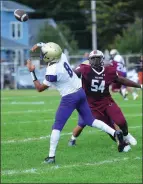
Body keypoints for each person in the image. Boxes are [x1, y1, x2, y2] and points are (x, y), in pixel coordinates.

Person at [26, 42, 124, 164]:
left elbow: (40, 88)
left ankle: (51, 157)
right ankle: (115, 133)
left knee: (57, 126)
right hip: (80, 92)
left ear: (49, 57)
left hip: (69, 97)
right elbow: (52, 48)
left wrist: (32, 72)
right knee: (91, 120)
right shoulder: (62, 56)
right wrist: (40, 45)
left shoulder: (52, 70)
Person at [68, 50, 142, 150]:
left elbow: (122, 80)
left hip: (107, 101)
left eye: (97, 58)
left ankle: (126, 134)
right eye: (93, 59)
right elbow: (72, 74)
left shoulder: (109, 70)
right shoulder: (84, 69)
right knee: (110, 128)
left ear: (102, 59)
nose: (95, 61)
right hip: (92, 105)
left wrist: (139, 85)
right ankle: (122, 144)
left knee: (121, 121)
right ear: (89, 60)